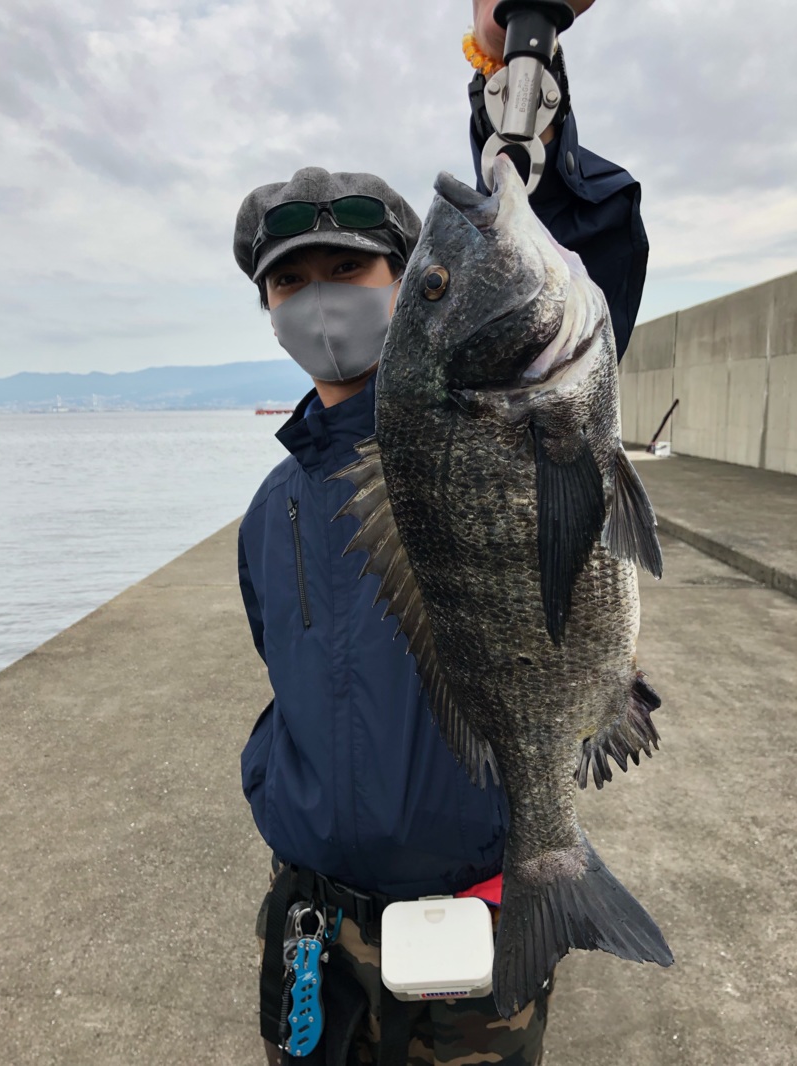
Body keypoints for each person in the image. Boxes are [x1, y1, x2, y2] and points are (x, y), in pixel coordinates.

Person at [233, 1, 647, 1062]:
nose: (317, 301)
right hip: (315, 927)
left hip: (475, 922)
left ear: (408, 297)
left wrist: (518, 52)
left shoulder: (487, 410)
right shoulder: (268, 511)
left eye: (352, 273)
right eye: (289, 282)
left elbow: (564, 226)